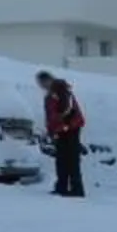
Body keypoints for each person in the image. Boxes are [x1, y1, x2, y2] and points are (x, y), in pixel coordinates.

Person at [36, 69, 86, 197]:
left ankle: (76, 189)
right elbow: (51, 116)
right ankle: (62, 187)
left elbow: (67, 111)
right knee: (61, 160)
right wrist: (51, 130)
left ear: (48, 80)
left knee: (71, 160)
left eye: (42, 82)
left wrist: (63, 126)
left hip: (70, 129)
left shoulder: (61, 90)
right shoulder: (52, 94)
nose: (41, 86)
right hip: (61, 130)